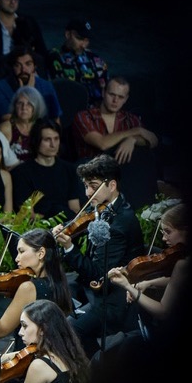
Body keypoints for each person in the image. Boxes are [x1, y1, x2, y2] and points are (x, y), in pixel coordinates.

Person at [51, 153, 144, 358]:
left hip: (113, 298)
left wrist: (69, 248)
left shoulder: (120, 223)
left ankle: (94, 371)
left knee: (71, 331)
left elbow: (97, 274)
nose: (87, 193)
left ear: (111, 185)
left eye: (93, 186)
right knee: (56, 295)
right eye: (85, 186)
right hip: (95, 291)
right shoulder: (106, 210)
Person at [0, 229, 73, 343]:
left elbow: (1, 330)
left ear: (41, 253)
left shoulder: (28, 288)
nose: (17, 259)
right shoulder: (58, 283)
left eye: (21, 251)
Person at [71, 75, 159, 210]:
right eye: (112, 94)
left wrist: (133, 139)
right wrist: (134, 132)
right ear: (103, 92)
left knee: (146, 158)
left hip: (122, 177)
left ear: (126, 99)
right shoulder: (84, 116)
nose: (115, 100)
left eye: (121, 97)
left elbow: (153, 140)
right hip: (90, 178)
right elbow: (102, 143)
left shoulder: (130, 119)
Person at [107, 202, 188, 339]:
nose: (163, 238)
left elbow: (163, 311)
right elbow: (177, 280)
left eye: (168, 232)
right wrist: (149, 283)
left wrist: (128, 286)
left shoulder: (183, 263)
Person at [11, 119, 83, 219]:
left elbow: (74, 207)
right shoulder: (21, 173)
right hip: (40, 227)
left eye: (56, 139)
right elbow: (27, 214)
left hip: (67, 225)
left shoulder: (69, 169)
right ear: (36, 141)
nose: (53, 145)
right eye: (47, 140)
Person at [0, 47, 61, 128]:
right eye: (17, 65)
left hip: (42, 135)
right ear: (12, 67)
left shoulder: (46, 86)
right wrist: (28, 93)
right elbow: (10, 121)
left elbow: (56, 119)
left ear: (34, 67)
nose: (23, 70)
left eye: (28, 64)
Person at [47, 18, 108, 104]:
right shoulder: (53, 57)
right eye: (79, 39)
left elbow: (106, 88)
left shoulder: (95, 59)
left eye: (86, 40)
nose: (84, 45)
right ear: (68, 34)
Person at [0, 85, 48, 163]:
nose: (24, 107)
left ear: (36, 107)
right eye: (20, 103)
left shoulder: (42, 128)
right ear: (15, 106)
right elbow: (0, 158)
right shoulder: (6, 127)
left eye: (29, 104)